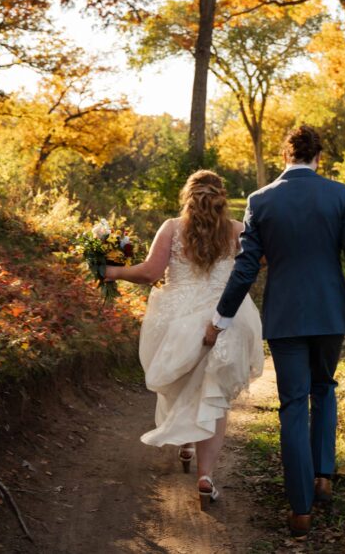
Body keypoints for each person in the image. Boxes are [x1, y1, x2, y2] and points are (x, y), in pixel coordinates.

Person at [206, 125, 345, 536]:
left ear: (284, 156)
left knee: (292, 405)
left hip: (285, 318)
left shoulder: (261, 200)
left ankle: (300, 508)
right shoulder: (339, 195)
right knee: (324, 387)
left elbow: (246, 266)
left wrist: (221, 318)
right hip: (329, 315)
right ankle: (324, 476)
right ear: (319, 157)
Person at [104, 170, 263, 510]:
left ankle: (186, 443)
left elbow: (149, 273)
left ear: (186, 195)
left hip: (179, 318)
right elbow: (261, 260)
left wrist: (112, 271)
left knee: (181, 383)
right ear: (223, 196)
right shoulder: (237, 231)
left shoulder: (173, 227)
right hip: (226, 321)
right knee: (214, 396)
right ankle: (205, 477)